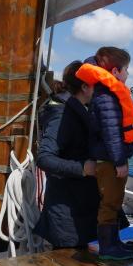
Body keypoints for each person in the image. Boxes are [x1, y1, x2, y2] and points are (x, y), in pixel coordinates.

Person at [75, 47, 133, 261]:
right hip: (110, 161)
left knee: (114, 201)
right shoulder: (106, 98)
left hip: (110, 159)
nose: (128, 74)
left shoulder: (107, 94)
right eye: (126, 70)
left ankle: (113, 242)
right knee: (110, 203)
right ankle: (108, 246)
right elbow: (112, 132)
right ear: (115, 71)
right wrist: (119, 161)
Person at [34, 61, 99, 248]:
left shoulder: (80, 111)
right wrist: (83, 168)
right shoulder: (61, 115)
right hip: (67, 217)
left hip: (80, 210)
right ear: (85, 87)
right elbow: (44, 158)